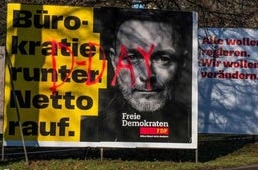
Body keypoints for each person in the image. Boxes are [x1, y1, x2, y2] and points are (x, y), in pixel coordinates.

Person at [81, 9, 193, 143]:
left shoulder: (191, 126)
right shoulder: (89, 130)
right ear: (113, 60)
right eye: (132, 57)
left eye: (164, 59)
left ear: (183, 63)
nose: (147, 75)